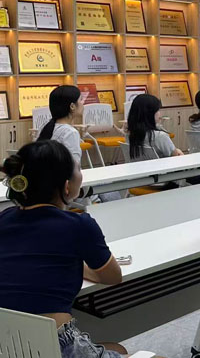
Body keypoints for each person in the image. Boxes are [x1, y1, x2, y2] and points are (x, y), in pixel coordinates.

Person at [0, 141, 136, 357]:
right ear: (66, 187)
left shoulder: (4, 219)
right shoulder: (79, 225)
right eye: (78, 168)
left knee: (117, 349)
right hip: (57, 344)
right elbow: (112, 276)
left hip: (7, 345)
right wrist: (81, 266)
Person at [37, 85, 84, 165]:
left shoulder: (45, 127)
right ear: (72, 106)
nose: (83, 104)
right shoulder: (70, 133)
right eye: (81, 100)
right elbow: (73, 167)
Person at [126, 94, 183, 159]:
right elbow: (176, 157)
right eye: (158, 110)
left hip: (139, 165)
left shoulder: (130, 134)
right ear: (149, 114)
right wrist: (178, 151)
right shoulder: (160, 136)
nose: (159, 113)